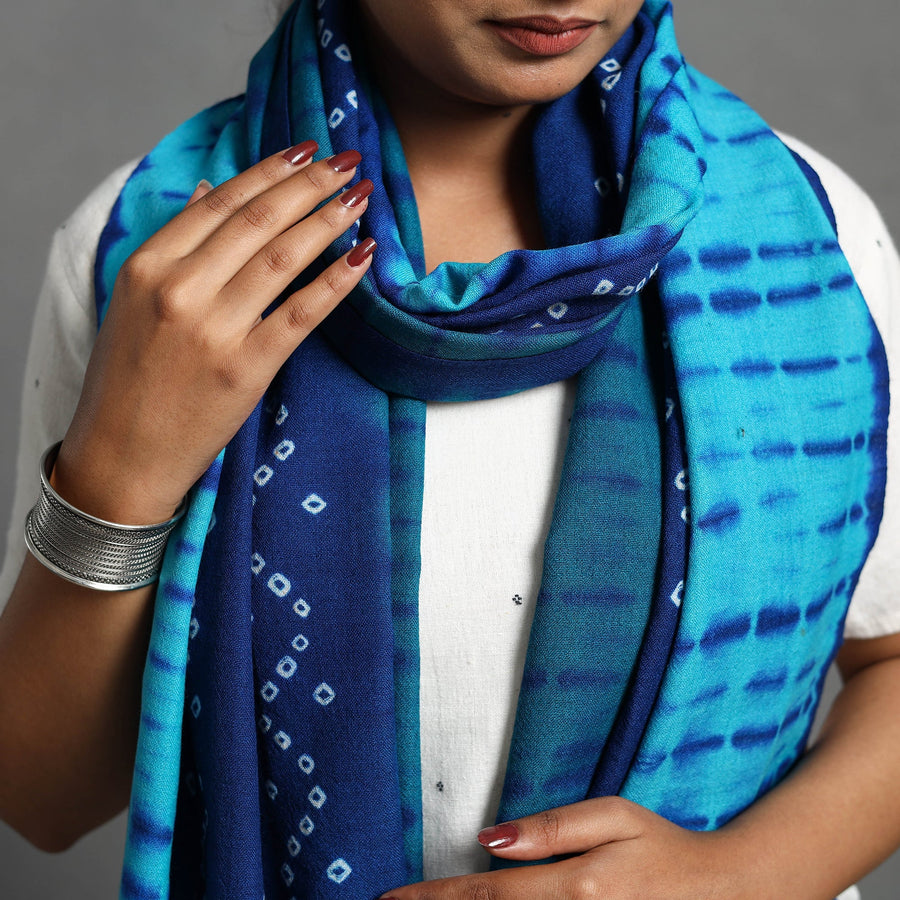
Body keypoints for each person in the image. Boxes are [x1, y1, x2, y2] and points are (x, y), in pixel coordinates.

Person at [1, 0, 899, 897]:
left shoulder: (809, 237)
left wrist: (739, 878)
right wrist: (120, 474)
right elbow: (45, 799)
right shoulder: (158, 261)